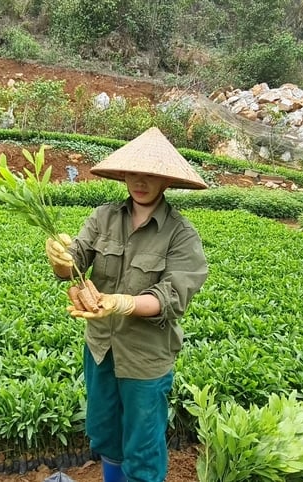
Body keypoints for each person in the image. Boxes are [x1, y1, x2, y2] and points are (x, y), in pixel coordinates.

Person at [45, 127, 209, 482]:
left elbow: (173, 296)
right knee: (105, 431)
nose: (141, 181)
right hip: (101, 347)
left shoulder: (181, 234)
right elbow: (76, 259)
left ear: (165, 181)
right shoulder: (103, 217)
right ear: (124, 174)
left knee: (143, 445)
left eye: (151, 175)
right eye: (134, 172)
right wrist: (60, 259)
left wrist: (123, 303)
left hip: (145, 358)